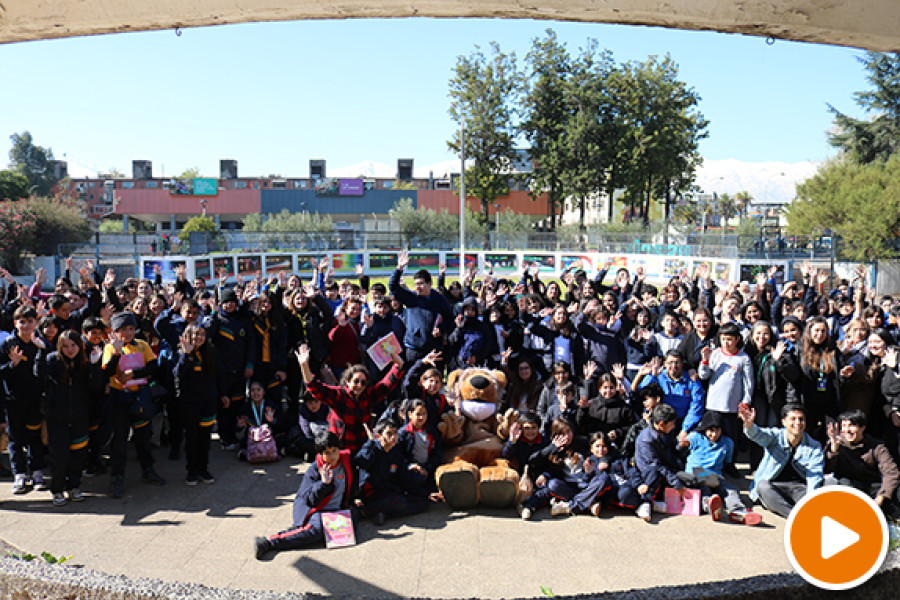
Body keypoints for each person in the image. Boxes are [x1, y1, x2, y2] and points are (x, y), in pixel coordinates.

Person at [254, 430, 357, 559]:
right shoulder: (314, 470)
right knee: (316, 530)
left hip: (337, 510)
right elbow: (310, 500)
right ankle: (269, 542)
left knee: (351, 525)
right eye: (327, 453)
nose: (333, 456)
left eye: (335, 451)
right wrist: (324, 484)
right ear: (320, 454)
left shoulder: (346, 462)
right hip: (316, 509)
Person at [37, 330, 105, 506]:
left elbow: (95, 386)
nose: (70, 349)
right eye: (65, 346)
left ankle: (74, 486)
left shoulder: (85, 363)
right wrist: (40, 352)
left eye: (73, 345)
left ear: (79, 346)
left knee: (78, 455)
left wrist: (95, 365)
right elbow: (39, 375)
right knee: (59, 457)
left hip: (79, 417)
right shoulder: (52, 360)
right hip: (56, 417)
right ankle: (57, 489)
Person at [102, 312, 166, 498]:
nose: (128, 333)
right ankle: (117, 477)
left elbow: (153, 368)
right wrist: (116, 352)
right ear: (115, 332)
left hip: (140, 397)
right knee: (120, 440)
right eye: (123, 329)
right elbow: (108, 372)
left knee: (143, 437)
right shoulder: (110, 348)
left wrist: (133, 373)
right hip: (119, 398)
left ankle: (148, 470)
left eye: (131, 328)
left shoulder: (142, 345)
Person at [296, 343, 404, 454]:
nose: (359, 385)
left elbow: (386, 385)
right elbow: (315, 387)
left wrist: (398, 365)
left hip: (361, 447)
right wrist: (304, 365)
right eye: (356, 381)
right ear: (347, 381)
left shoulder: (369, 395)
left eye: (363, 383)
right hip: (339, 449)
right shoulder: (339, 395)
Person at [738, 402, 825, 518]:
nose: (797, 423)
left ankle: (803, 511)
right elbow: (758, 434)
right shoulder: (775, 436)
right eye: (793, 419)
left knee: (822, 488)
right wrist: (749, 425)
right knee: (762, 486)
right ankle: (796, 516)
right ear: (784, 422)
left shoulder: (814, 446)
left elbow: (815, 475)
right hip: (774, 486)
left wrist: (810, 500)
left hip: (798, 488)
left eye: (801, 419)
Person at [677, 411, 762, 525]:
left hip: (715, 475)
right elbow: (679, 451)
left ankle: (738, 511)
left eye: (717, 430)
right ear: (704, 429)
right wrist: (682, 446)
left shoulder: (727, 443)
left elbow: (728, 463)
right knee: (704, 490)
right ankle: (709, 504)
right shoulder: (694, 437)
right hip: (695, 473)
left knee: (730, 490)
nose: (714, 434)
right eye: (711, 431)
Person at [1, 305, 49, 494]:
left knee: (34, 437)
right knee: (15, 438)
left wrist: (42, 351)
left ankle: (37, 472)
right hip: (13, 400)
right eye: (22, 322)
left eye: (30, 321)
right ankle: (19, 475)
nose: (26, 325)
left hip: (35, 400)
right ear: (15, 323)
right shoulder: (7, 344)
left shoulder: (40, 343)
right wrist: (12, 364)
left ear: (36, 323)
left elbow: (46, 372)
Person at [172, 324, 222, 485]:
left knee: (205, 438)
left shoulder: (211, 351)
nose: (199, 338)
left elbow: (218, 375)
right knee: (192, 437)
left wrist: (223, 395)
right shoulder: (180, 352)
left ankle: (203, 469)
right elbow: (178, 373)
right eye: (195, 334)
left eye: (202, 334)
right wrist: (186, 355)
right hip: (190, 403)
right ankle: (191, 471)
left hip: (208, 401)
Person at [354, 420, 431, 524]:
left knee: (422, 502)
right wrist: (370, 442)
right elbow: (360, 462)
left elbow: (404, 478)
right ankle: (364, 511)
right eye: (389, 434)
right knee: (399, 502)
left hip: (390, 491)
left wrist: (426, 494)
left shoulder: (395, 454)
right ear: (379, 436)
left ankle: (383, 514)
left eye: (395, 433)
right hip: (372, 493)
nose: (393, 437)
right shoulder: (373, 450)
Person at [824, 410, 899, 512]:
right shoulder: (836, 443)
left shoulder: (876, 447)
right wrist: (834, 450)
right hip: (847, 486)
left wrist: (881, 497)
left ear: (862, 427)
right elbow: (827, 470)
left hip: (871, 486)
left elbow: (891, 472)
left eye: (851, 425)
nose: (847, 430)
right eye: (844, 426)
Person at [389, 250, 452, 365]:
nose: (418, 287)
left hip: (434, 349)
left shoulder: (439, 299)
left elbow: (449, 318)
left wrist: (441, 328)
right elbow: (393, 287)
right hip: (413, 348)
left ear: (430, 283)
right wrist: (399, 268)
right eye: (416, 284)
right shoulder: (411, 298)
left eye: (421, 284)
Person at [699, 322, 754, 442]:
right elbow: (704, 375)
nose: (726, 343)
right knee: (713, 437)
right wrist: (705, 361)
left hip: (732, 407)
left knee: (730, 438)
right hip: (714, 404)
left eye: (729, 339)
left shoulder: (743, 358)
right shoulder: (715, 354)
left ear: (737, 339)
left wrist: (746, 401)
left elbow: (748, 383)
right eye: (723, 339)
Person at [633, 403, 687, 521]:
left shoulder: (667, 432)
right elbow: (656, 465)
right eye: (671, 424)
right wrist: (675, 482)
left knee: (690, 479)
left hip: (667, 469)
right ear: (662, 424)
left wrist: (681, 447)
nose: (673, 427)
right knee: (655, 474)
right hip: (650, 473)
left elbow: (672, 450)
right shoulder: (646, 439)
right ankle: (645, 503)